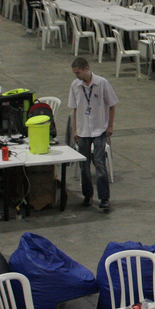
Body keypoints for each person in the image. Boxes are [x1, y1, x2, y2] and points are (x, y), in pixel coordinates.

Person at [68, 58, 118, 213]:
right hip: (83, 130)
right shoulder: (75, 85)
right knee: (84, 165)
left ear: (86, 68)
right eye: (75, 73)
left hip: (99, 129)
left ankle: (104, 198)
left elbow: (111, 105)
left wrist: (110, 125)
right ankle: (88, 195)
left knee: (99, 164)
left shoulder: (102, 83)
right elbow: (75, 109)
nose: (77, 76)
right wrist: (75, 130)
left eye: (78, 72)